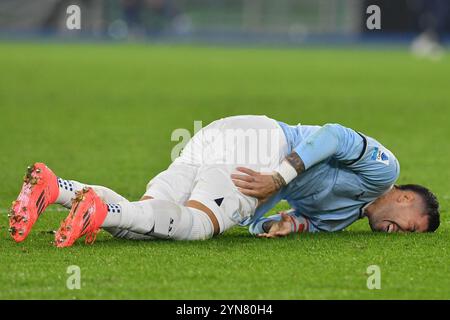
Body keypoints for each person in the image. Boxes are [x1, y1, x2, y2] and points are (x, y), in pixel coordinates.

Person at [8, 115, 439, 248]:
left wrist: (284, 224)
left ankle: (56, 189)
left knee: (144, 223)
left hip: (218, 138)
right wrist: (279, 177)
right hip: (260, 147)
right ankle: (96, 209)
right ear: (404, 198)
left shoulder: (343, 219)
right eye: (410, 224)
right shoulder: (385, 170)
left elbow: (304, 220)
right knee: (196, 227)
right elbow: (333, 135)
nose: (398, 233)